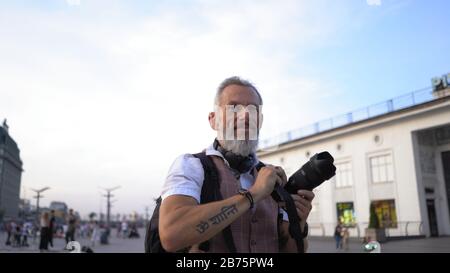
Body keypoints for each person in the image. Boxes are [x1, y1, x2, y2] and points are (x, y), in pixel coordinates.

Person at [158, 77, 315, 253]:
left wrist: (298, 223)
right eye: (234, 108)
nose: (246, 115)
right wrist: (253, 194)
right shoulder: (191, 166)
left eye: (253, 110)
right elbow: (171, 235)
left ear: (260, 122)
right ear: (213, 119)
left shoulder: (272, 178)